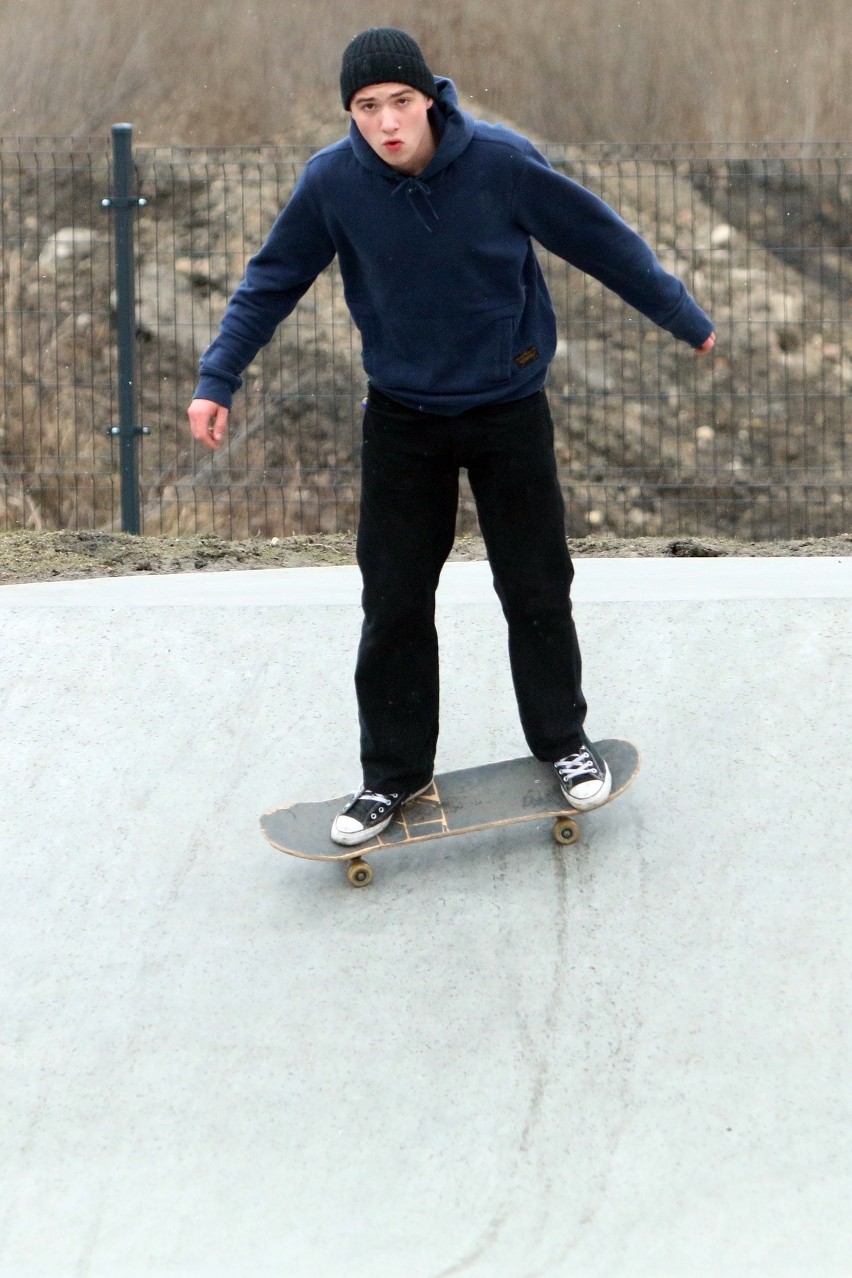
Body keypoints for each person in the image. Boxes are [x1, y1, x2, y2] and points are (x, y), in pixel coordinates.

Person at [188, 27, 715, 846]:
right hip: (402, 419)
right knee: (394, 601)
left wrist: (681, 315)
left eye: (400, 102)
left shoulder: (501, 163)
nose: (388, 122)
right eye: (367, 108)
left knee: (535, 585)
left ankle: (564, 744)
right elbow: (270, 282)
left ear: (429, 97)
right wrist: (218, 378)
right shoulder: (331, 184)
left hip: (508, 409)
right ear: (351, 115)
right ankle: (390, 780)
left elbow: (599, 239)